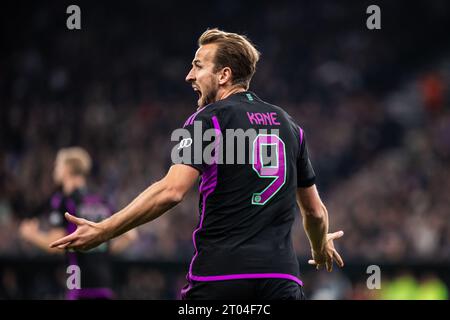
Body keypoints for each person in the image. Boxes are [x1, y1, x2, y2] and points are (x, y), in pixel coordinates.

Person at [50, 29, 344, 300]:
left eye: (198, 65)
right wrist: (319, 249)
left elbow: (171, 191)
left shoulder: (210, 119)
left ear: (224, 75)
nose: (189, 76)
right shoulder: (290, 126)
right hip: (281, 279)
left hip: (222, 276)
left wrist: (104, 230)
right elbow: (315, 213)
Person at [20, 147, 137, 299]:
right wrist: (103, 250)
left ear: (67, 169)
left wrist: (30, 235)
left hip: (77, 285)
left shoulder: (64, 201)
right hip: (105, 284)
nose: (55, 169)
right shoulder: (101, 200)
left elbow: (56, 243)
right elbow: (130, 236)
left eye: (58, 165)